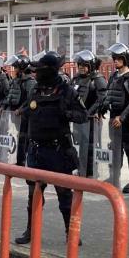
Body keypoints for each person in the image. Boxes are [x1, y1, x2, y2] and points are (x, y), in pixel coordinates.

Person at [12, 51, 88, 246]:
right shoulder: (35, 90)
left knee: (64, 196)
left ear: (49, 71)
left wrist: (66, 113)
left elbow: (82, 115)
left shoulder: (66, 90)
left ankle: (71, 233)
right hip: (36, 150)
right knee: (34, 196)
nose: (35, 74)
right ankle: (31, 231)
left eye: (39, 70)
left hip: (58, 151)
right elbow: (30, 113)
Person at [103, 43, 129, 192]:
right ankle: (114, 178)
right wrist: (101, 110)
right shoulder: (114, 76)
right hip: (114, 118)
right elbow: (109, 96)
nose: (116, 61)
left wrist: (122, 117)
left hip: (126, 120)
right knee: (115, 150)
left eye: (119, 58)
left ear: (126, 59)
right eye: (115, 58)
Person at [6, 54, 37, 166]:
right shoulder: (17, 80)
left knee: (23, 138)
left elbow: (30, 99)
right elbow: (10, 96)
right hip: (14, 114)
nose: (15, 70)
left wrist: (21, 109)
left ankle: (21, 160)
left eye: (17, 67)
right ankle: (14, 158)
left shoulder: (29, 81)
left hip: (24, 115)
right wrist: (4, 107)